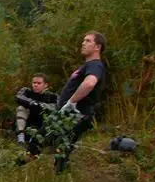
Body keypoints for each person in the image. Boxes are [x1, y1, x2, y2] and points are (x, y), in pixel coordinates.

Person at [55, 31, 107, 171]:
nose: (83, 43)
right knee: (60, 148)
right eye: (83, 40)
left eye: (88, 41)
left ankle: (61, 181)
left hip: (76, 113)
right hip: (69, 113)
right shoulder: (87, 65)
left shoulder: (95, 65)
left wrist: (71, 102)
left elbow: (90, 83)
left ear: (98, 47)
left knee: (62, 149)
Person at [14, 73, 58, 145]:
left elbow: (56, 107)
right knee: (21, 108)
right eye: (34, 83)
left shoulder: (52, 96)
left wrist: (40, 105)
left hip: (42, 125)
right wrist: (32, 103)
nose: (36, 85)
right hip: (26, 124)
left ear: (45, 85)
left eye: (39, 83)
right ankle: (20, 136)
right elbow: (18, 97)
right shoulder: (27, 91)